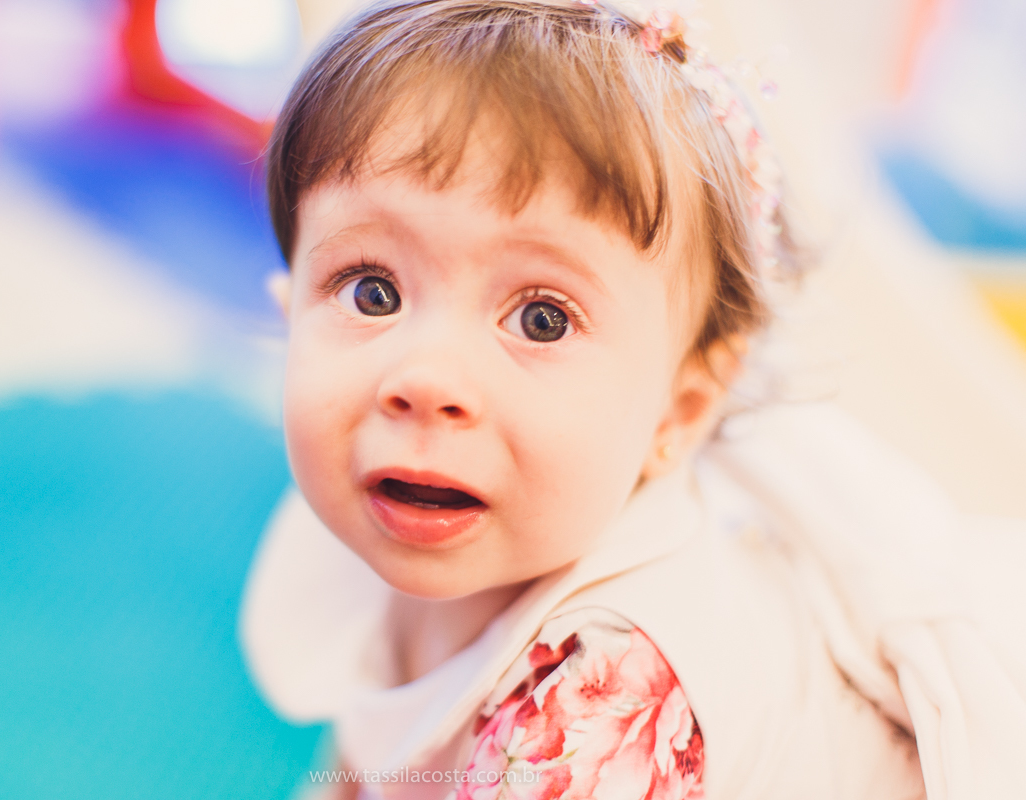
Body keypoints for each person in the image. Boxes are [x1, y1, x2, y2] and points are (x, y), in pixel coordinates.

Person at [241, 2, 1026, 798]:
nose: (424, 379)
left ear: (679, 412)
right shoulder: (414, 496)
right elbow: (371, 756)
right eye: (373, 293)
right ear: (289, 316)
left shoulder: (607, 694)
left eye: (541, 319)